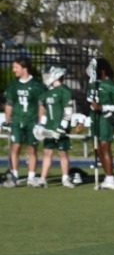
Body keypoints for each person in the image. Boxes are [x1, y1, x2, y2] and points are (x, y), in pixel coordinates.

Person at [34, 64, 77, 188]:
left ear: (56, 75)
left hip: (60, 127)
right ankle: (43, 179)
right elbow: (46, 111)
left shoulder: (65, 91)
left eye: (48, 74)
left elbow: (68, 111)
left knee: (63, 152)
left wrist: (62, 127)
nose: (46, 77)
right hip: (49, 127)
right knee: (47, 152)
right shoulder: (47, 92)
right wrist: (41, 124)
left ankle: (65, 178)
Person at [85, 58, 114, 189]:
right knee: (98, 148)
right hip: (95, 119)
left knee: (105, 147)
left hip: (106, 119)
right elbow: (89, 102)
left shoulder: (111, 85)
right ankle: (107, 177)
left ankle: (111, 179)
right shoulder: (93, 85)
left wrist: (102, 107)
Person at [7, 54, 44, 187]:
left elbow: (41, 105)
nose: (13, 70)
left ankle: (31, 177)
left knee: (32, 148)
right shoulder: (13, 85)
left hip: (31, 120)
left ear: (24, 68)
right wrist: (7, 120)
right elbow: (9, 103)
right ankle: (14, 175)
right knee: (15, 146)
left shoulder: (36, 85)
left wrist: (40, 122)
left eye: (16, 67)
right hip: (17, 120)